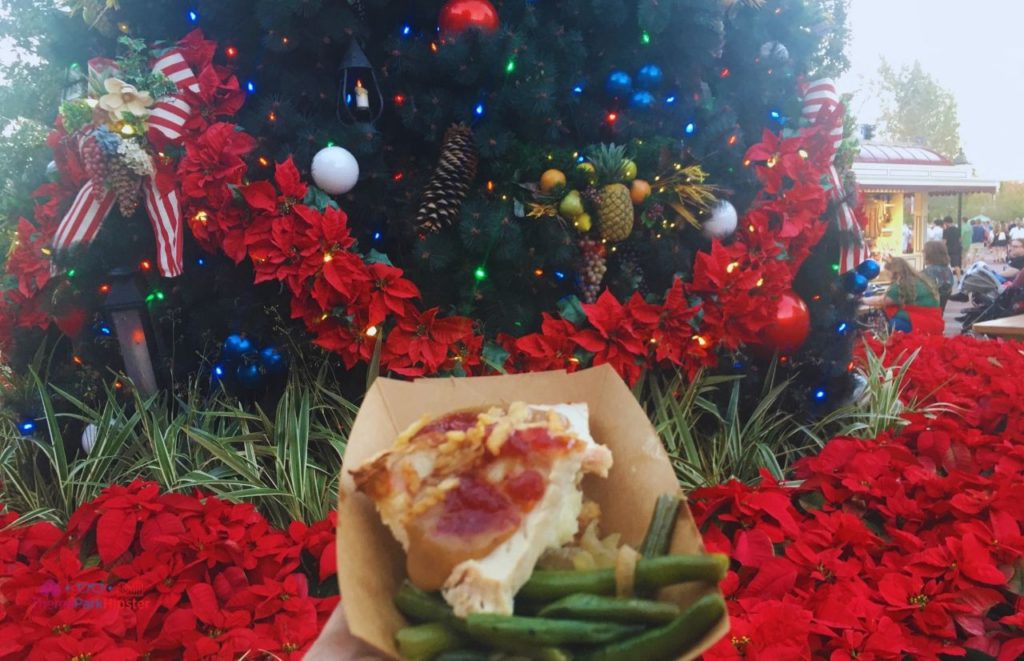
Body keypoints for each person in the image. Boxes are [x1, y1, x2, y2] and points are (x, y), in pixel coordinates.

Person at [863, 257, 945, 335]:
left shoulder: (902, 284)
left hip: (921, 324)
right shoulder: (918, 280)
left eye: (888, 273)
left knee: (891, 321)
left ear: (893, 272)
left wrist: (861, 300)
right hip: (934, 322)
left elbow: (881, 301)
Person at [922, 240, 955, 313]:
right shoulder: (948, 271)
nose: (922, 254)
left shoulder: (927, 272)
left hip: (925, 312)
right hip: (939, 312)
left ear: (929, 254)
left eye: (924, 252)